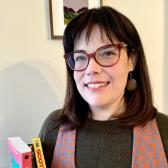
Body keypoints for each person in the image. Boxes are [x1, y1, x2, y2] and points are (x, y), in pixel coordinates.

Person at [39, 6, 168, 168]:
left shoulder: (164, 130)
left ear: (132, 60)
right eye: (80, 57)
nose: (91, 69)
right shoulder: (53, 128)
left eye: (107, 53)